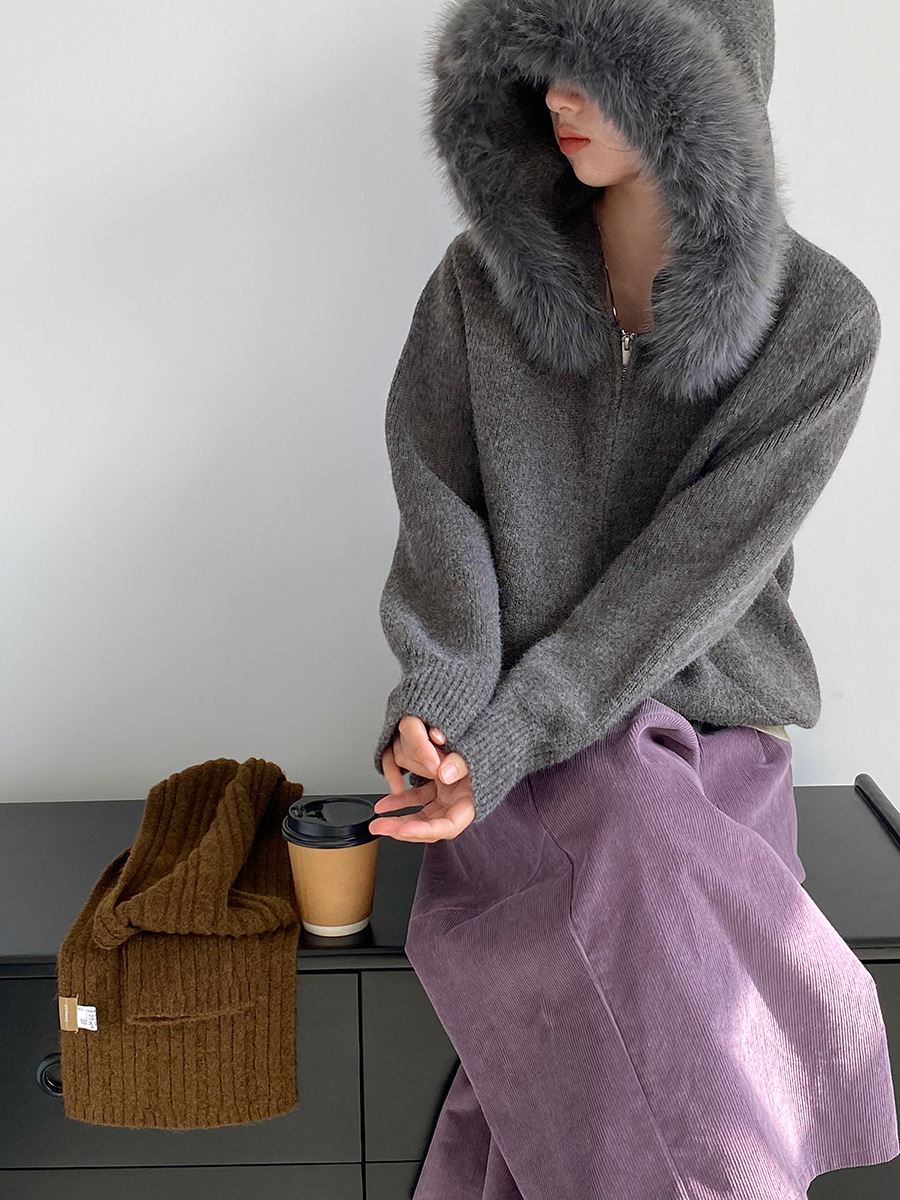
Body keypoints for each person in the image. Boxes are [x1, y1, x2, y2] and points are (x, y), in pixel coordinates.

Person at [368, 1, 900, 1196]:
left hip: (707, 753)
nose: (560, 97)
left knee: (632, 824)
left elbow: (682, 583)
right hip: (505, 767)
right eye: (546, 64)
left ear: (699, 90)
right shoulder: (475, 290)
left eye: (599, 69)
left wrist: (507, 735)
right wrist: (440, 712)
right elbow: (439, 511)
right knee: (616, 830)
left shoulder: (823, 325)